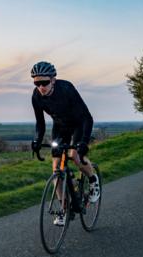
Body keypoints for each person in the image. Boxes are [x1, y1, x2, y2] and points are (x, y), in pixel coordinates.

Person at [30, 61, 100, 226]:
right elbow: (40, 123)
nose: (41, 86)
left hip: (79, 124)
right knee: (56, 169)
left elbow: (86, 118)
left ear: (53, 80)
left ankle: (93, 180)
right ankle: (64, 208)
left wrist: (83, 142)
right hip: (60, 127)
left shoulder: (66, 89)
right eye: (37, 83)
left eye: (44, 82)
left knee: (75, 156)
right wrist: (36, 141)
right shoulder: (36, 96)